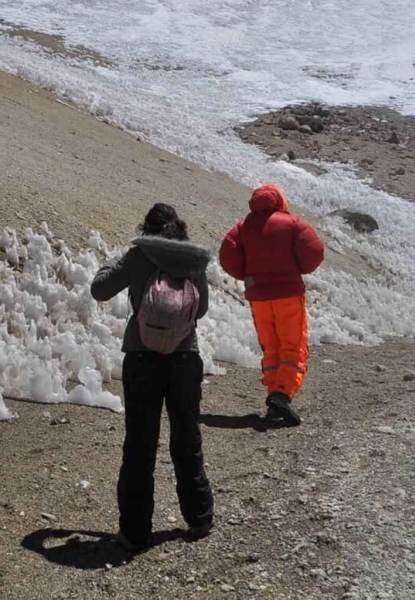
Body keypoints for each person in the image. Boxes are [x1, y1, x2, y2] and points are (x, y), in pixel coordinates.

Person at [90, 203, 216, 551]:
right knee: (186, 437)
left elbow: (99, 289)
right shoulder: (194, 260)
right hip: (185, 357)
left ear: (146, 227)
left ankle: (134, 531)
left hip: (142, 358)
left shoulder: (139, 254)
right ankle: (200, 517)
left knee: (140, 445)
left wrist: (118, 260)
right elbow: (200, 309)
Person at [218, 183, 325, 426]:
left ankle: (274, 397)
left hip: (259, 297)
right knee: (293, 343)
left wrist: (245, 274)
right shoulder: (292, 223)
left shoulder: (244, 227)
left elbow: (227, 254)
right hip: (288, 293)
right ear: (279, 201)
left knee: (272, 345)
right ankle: (283, 394)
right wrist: (298, 267)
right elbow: (315, 252)